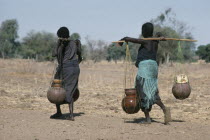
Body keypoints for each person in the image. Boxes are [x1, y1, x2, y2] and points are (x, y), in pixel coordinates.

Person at [120, 22, 171, 124]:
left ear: (144, 32)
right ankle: (164, 108)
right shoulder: (155, 42)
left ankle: (147, 119)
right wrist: (160, 36)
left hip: (145, 69)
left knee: (141, 91)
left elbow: (134, 40)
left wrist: (124, 38)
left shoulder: (146, 41)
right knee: (152, 91)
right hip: (153, 68)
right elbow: (159, 34)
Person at [51, 27, 82, 121]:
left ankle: (65, 114)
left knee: (57, 87)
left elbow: (54, 54)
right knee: (71, 89)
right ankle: (69, 114)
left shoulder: (61, 44)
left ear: (59, 36)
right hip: (75, 68)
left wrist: (58, 43)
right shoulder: (75, 42)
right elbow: (80, 56)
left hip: (66, 68)